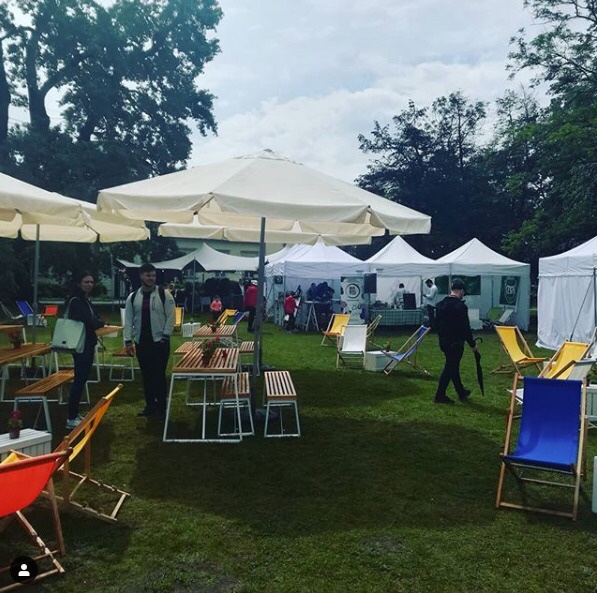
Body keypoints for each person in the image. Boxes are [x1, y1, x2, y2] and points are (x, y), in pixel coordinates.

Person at [124, 263, 175, 417]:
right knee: (146, 375)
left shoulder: (164, 294)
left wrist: (165, 335)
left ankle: (162, 408)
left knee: (159, 375)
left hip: (160, 342)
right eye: (148, 275)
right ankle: (150, 406)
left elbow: (171, 316)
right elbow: (128, 320)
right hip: (142, 342)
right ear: (141, 276)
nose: (151, 278)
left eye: (153, 275)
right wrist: (128, 341)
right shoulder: (133, 297)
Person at [65, 272, 105, 429]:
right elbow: (91, 322)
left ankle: (75, 414)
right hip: (81, 345)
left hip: (87, 344)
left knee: (82, 379)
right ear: (78, 283)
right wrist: (98, 322)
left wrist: (97, 321)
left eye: (91, 282)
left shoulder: (86, 301)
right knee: (79, 380)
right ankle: (71, 417)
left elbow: (96, 318)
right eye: (86, 282)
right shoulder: (76, 301)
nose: (89, 285)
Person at [433, 278, 477, 404]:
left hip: (444, 342)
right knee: (450, 368)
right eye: (463, 293)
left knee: (453, 366)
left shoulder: (440, 305)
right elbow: (465, 328)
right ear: (461, 291)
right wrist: (472, 344)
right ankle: (439, 395)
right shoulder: (460, 307)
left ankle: (461, 392)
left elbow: (436, 325)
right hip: (456, 343)